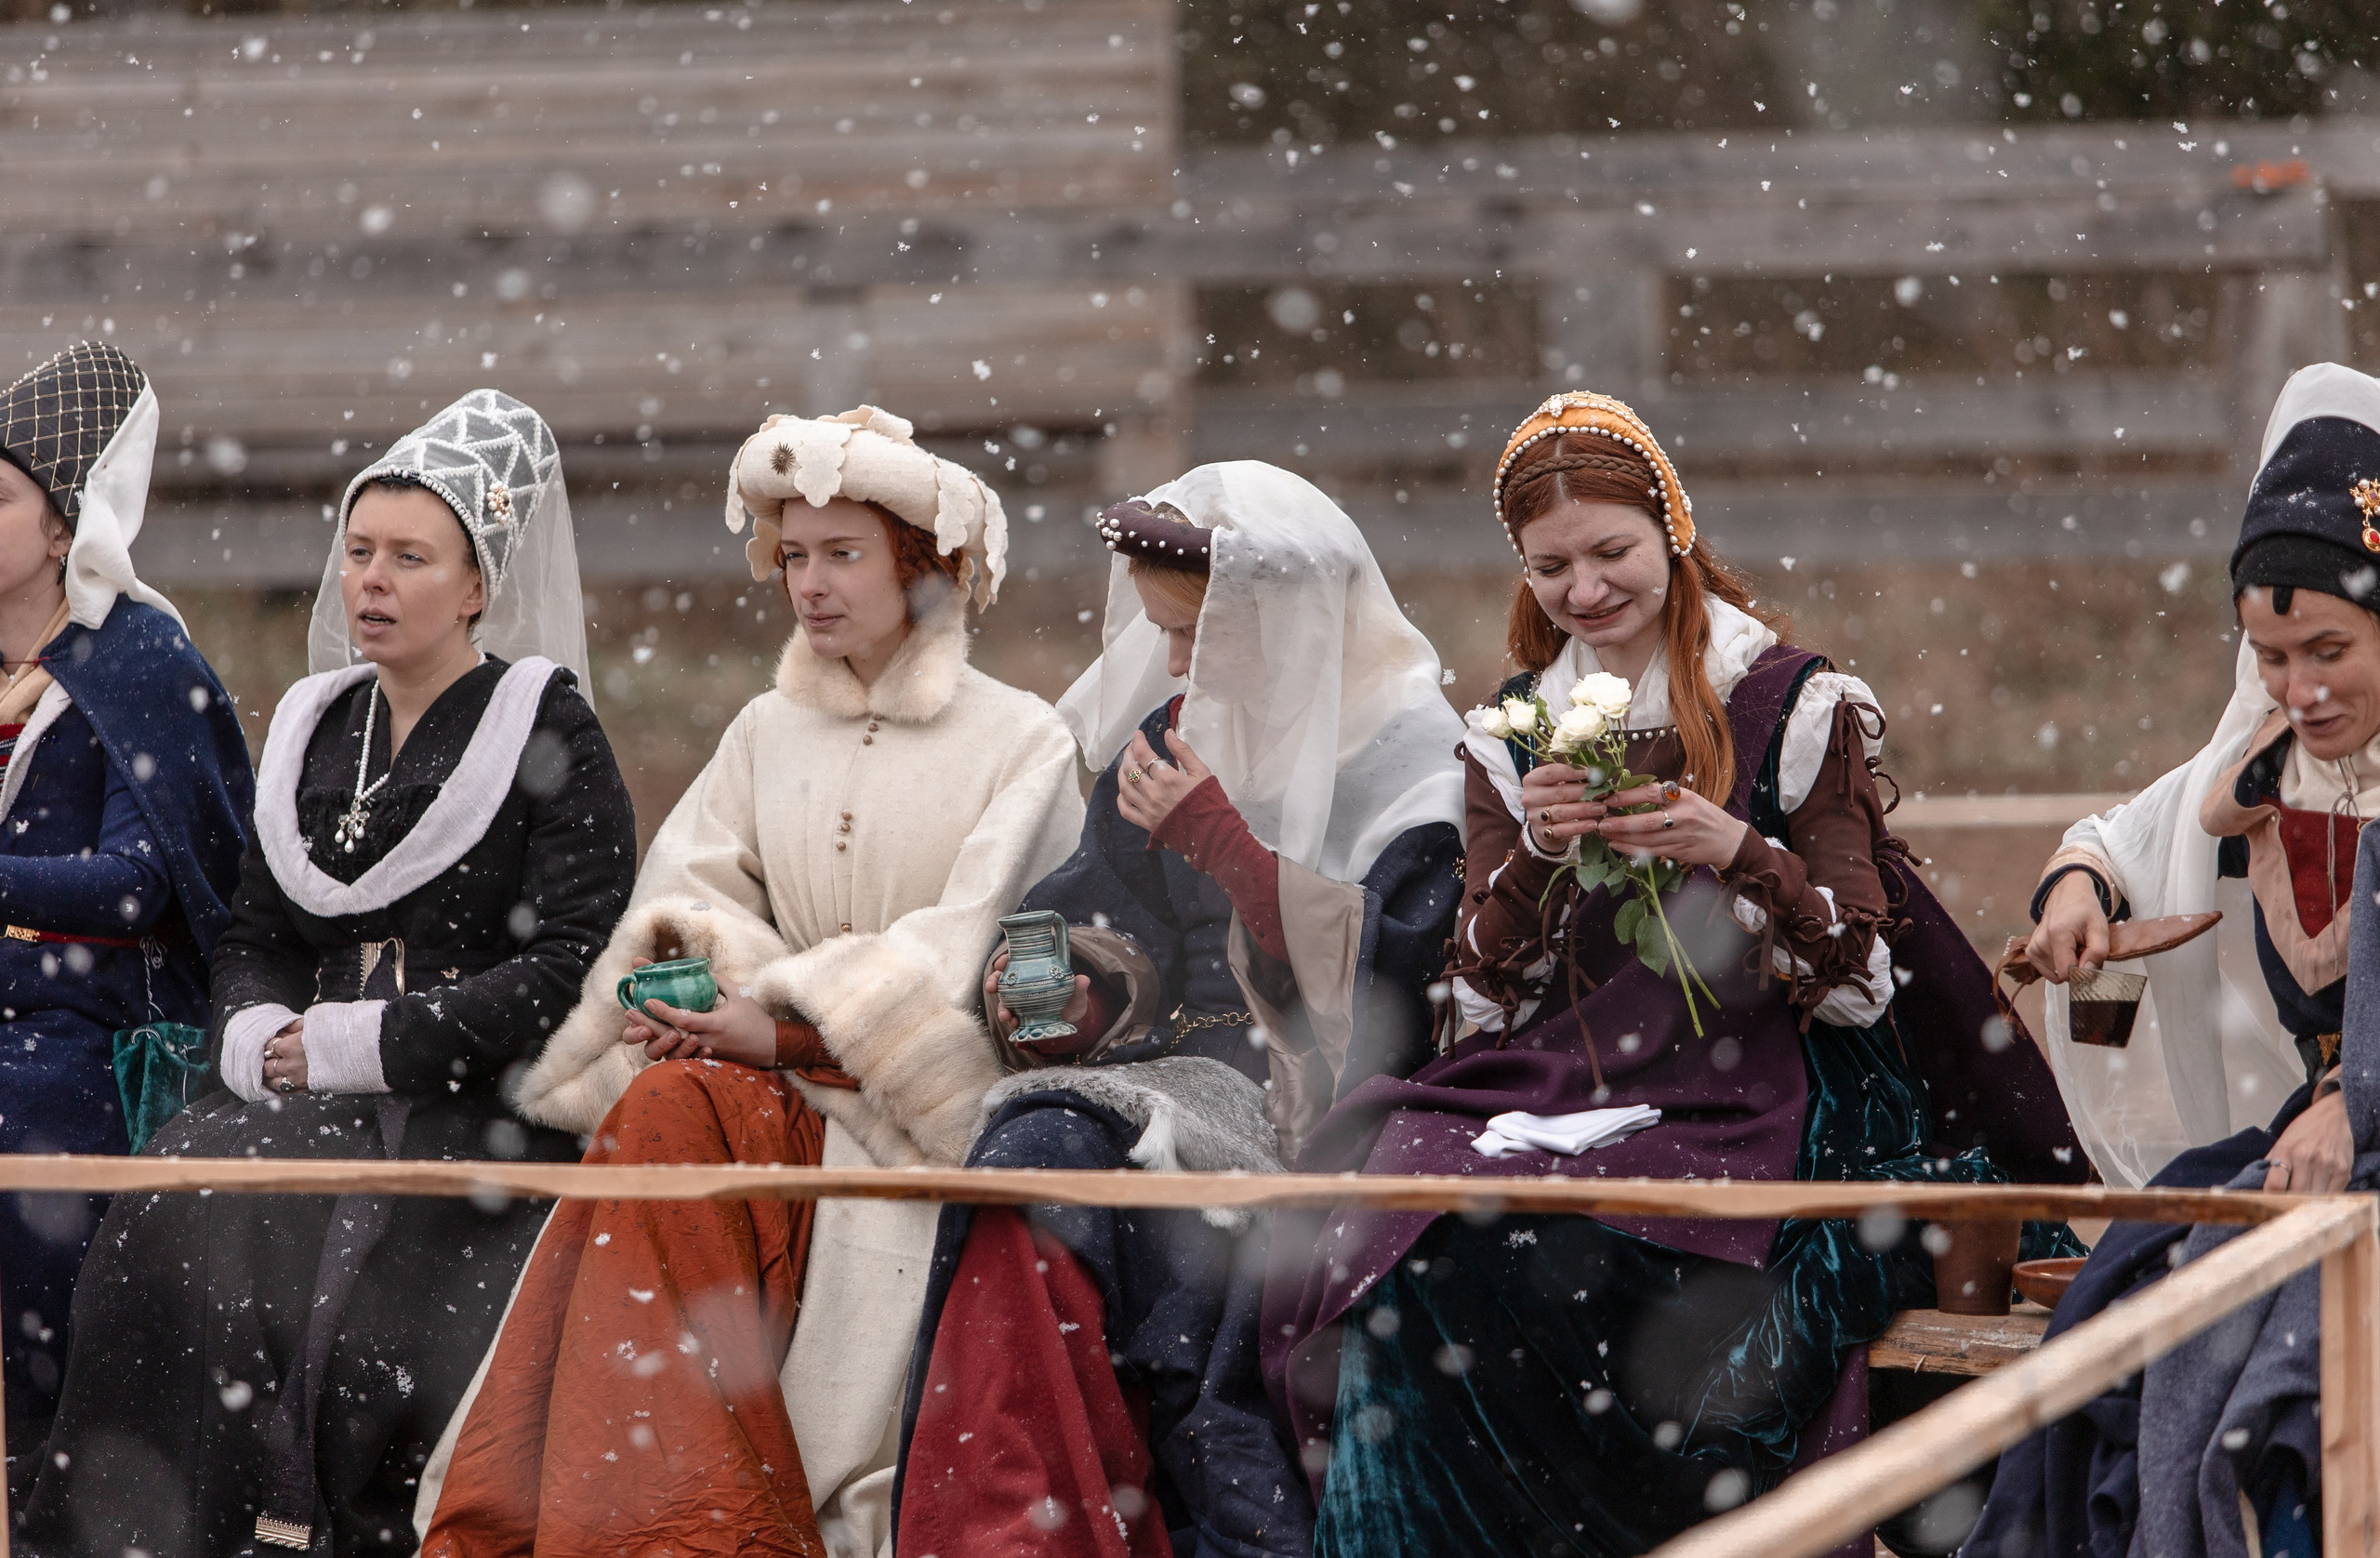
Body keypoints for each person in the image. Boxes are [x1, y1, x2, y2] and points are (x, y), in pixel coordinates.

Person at [1261, 390, 2085, 1558]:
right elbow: (1480, 1007)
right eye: (1552, 566)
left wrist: (1738, 849)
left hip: (1771, 1073)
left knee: (1588, 1254)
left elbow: (1861, 979)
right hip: (1570, 1079)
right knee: (1411, 1223)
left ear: (1672, 531)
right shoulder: (1515, 728)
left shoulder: (1786, 702)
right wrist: (1537, 855)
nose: (1585, 590)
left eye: (1611, 552)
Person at [418, 404, 1082, 1558]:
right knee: (666, 1108)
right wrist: (692, 999)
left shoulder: (1022, 739)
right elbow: (691, 894)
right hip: (753, 1087)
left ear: (921, 571)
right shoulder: (766, 728)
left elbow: (982, 947)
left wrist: (782, 1031)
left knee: (682, 1124)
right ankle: (659, 1510)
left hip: (903, 1116)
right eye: (794, 556)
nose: (808, 584)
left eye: (844, 554)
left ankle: (678, 1513)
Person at [20, 389, 634, 1555]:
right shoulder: (318, 727)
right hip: (296, 1090)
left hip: (470, 1101)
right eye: (358, 552)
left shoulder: (544, 730)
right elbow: (258, 932)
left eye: (410, 558)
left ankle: (298, 1527)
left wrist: (370, 1044)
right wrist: (256, 1034)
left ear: (476, 586)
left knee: (337, 1283)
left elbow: (569, 960)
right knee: (164, 1216)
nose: (371, 582)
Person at [890, 463, 1468, 1558]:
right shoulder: (1174, 735)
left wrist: (1235, 855)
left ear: (1287, 621)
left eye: (1199, 634)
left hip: (1333, 1107)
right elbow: (1092, 907)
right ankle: (1014, 1521)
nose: (1174, 663)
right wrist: (1066, 990)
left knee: (1183, 1236)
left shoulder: (1413, 770)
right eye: (1163, 632)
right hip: (1167, 1081)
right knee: (1031, 1149)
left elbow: (1408, 987)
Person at [1965, 363, 2380, 1558]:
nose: (2299, 689)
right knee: (2137, 1323)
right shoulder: (2266, 762)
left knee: (2286, 1377)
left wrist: (2355, 1100)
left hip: (2351, 1141)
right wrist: (2078, 893)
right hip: (2319, 1149)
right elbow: (2120, 838)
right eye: (2268, 655)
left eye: (2327, 649)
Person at [0, 341, 254, 1487]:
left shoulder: (140, 660)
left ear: (64, 527)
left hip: (90, 1027)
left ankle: (42, 1459)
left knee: (29, 1118)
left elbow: (138, 883)